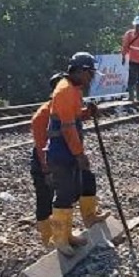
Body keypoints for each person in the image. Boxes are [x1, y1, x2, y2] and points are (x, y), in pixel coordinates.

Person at [46, 53, 108, 256]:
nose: (91, 78)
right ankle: (60, 238)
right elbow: (68, 128)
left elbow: (73, 116)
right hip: (61, 151)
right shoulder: (65, 91)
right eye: (89, 73)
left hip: (67, 150)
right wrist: (79, 154)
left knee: (71, 191)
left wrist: (87, 113)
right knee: (64, 193)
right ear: (80, 71)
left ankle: (67, 234)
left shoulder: (73, 90)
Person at [30, 73, 66, 246]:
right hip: (44, 163)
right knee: (45, 199)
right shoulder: (43, 115)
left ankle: (62, 235)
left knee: (62, 197)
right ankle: (47, 238)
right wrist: (46, 169)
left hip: (60, 160)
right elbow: (40, 145)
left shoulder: (64, 107)